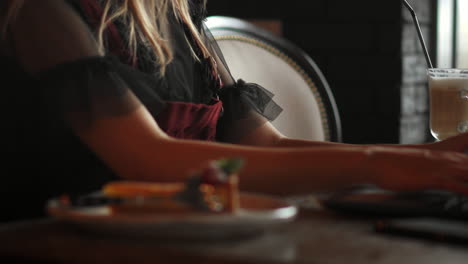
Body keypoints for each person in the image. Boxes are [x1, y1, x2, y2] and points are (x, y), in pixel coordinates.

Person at [0, 0, 467, 222]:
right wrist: (380, 165)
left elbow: (264, 144)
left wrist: (430, 156)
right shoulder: (41, 13)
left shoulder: (179, 19)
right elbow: (147, 158)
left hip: (181, 240)